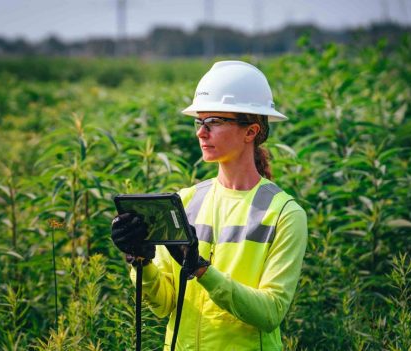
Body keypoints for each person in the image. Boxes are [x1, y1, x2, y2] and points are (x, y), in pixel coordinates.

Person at [111, 61, 308, 350]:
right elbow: (164, 304)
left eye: (213, 122)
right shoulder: (187, 201)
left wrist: (202, 270)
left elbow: (270, 313)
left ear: (250, 132)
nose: (201, 133)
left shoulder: (283, 213)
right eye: (199, 122)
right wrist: (141, 262)